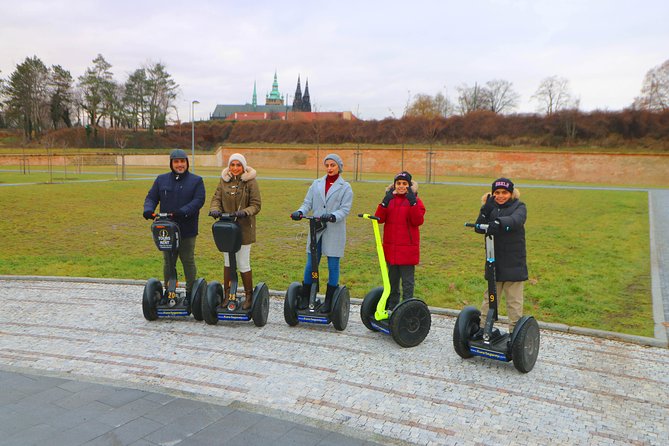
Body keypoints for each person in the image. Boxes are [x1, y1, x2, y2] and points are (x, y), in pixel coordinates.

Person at [290, 154, 353, 313]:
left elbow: (345, 210)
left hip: (334, 229)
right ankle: (306, 295)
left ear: (339, 166)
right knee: (311, 263)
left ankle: (330, 298)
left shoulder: (345, 187)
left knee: (333, 264)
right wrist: (299, 212)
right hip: (316, 229)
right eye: (327, 165)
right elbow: (307, 203)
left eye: (333, 165)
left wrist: (333, 216)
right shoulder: (316, 184)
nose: (330, 168)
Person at [143, 149, 206, 301]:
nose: (180, 165)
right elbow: (151, 197)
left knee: (187, 260)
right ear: (171, 163)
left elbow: (198, 201)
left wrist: (181, 211)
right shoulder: (161, 180)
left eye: (182, 161)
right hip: (166, 229)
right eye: (176, 162)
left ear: (187, 163)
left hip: (187, 229)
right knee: (168, 261)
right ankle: (169, 291)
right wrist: (148, 210)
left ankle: (191, 293)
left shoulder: (196, 181)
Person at [474, 177, 528, 334]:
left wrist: (498, 222)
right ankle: (484, 328)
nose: (500, 196)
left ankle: (515, 334)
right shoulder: (490, 207)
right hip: (494, 262)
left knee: (514, 302)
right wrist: (485, 210)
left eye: (504, 192)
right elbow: (478, 227)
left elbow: (516, 220)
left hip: (513, 263)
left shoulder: (519, 206)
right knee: (489, 299)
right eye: (497, 192)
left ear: (511, 193)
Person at [208, 153, 262, 310]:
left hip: (244, 228)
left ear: (243, 167)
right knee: (228, 262)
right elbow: (216, 198)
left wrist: (244, 212)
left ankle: (249, 296)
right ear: (229, 166)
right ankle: (228, 295)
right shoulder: (224, 180)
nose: (235, 168)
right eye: (233, 165)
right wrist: (214, 210)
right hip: (226, 228)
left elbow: (256, 204)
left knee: (243, 262)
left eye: (239, 165)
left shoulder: (250, 182)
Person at [374, 171, 426, 309]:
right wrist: (384, 203)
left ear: (409, 185)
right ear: (394, 185)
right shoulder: (390, 200)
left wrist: (413, 202)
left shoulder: (416, 201)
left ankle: (406, 308)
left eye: (404, 184)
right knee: (392, 281)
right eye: (398, 183)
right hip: (391, 249)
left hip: (407, 250)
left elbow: (417, 221)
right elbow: (379, 219)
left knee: (407, 283)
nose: (401, 186)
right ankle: (392, 307)